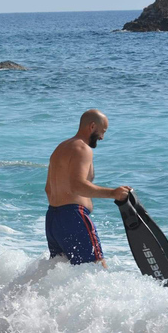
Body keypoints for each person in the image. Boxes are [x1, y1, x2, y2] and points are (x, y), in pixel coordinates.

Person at [44, 109, 131, 268]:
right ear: (92, 126)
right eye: (102, 131)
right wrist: (114, 193)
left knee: (60, 274)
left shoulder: (60, 148)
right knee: (96, 270)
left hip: (53, 220)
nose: (102, 137)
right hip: (74, 218)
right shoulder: (82, 148)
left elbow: (48, 189)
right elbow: (77, 186)